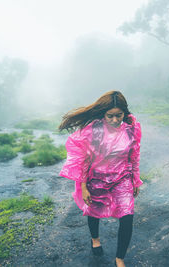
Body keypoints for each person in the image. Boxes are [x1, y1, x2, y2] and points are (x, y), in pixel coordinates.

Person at [59, 91, 142, 267]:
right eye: (109, 116)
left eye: (118, 115)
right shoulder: (94, 130)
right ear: (103, 114)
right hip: (97, 179)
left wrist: (135, 179)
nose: (114, 120)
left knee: (127, 217)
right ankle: (95, 238)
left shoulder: (131, 129)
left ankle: (119, 259)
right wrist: (83, 186)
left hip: (122, 179)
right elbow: (83, 157)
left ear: (125, 113)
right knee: (93, 210)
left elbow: (134, 156)